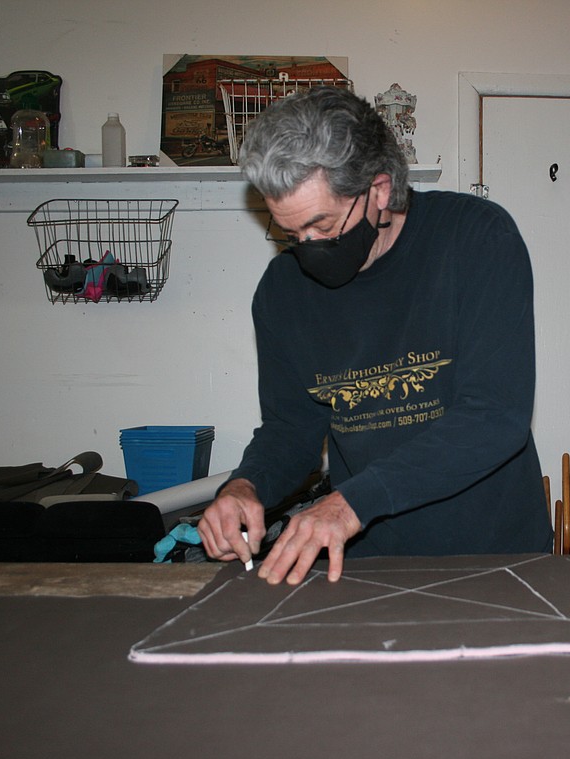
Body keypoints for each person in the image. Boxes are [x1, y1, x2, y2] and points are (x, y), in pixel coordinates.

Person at [196, 86, 552, 586]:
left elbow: (494, 417)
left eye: (322, 226)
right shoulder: (282, 292)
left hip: (494, 555)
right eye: (290, 234)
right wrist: (244, 486)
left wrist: (350, 504)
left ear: (379, 190)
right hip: (367, 565)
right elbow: (290, 429)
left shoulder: (476, 240)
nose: (308, 247)